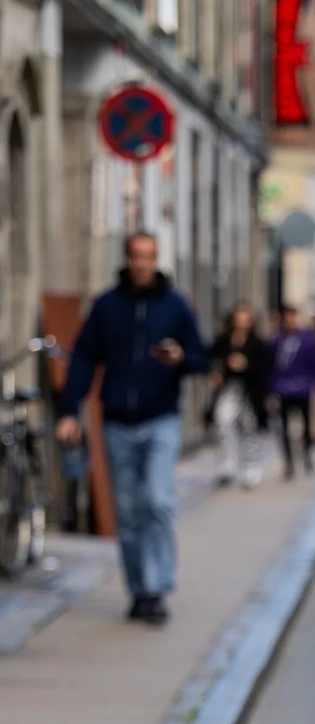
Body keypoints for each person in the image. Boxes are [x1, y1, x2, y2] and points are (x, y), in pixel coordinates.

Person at [56, 232, 209, 626]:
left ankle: (158, 587)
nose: (143, 263)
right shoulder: (107, 306)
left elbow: (199, 356)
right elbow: (84, 358)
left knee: (158, 501)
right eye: (137, 256)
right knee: (127, 511)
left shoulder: (174, 305)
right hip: (118, 423)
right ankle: (139, 589)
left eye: (150, 256)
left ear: (157, 259)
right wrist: (70, 410)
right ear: (127, 259)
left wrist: (179, 358)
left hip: (161, 419)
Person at [208, 302, 271, 489]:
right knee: (223, 421)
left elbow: (265, 366)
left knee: (249, 428)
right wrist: (218, 372)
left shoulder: (257, 342)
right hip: (230, 388)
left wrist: (246, 365)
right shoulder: (224, 340)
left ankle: (251, 467)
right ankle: (227, 464)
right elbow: (213, 359)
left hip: (251, 391)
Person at [268, 306, 315, 478]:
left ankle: (306, 455)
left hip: (303, 389)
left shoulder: (308, 340)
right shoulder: (276, 340)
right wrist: (272, 387)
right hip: (283, 390)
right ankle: (289, 462)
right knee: (284, 427)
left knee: (305, 425)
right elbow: (271, 366)